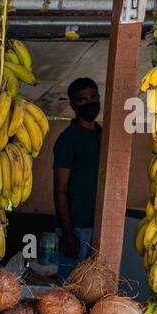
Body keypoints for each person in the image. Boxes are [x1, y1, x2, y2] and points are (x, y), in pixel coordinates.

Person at [52, 77, 101, 281]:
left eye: (93, 97)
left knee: (95, 288)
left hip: (99, 224)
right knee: (70, 289)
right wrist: (68, 233)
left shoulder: (103, 135)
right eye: (82, 100)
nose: (89, 103)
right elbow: (60, 190)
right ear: (73, 105)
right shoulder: (68, 139)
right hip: (77, 228)